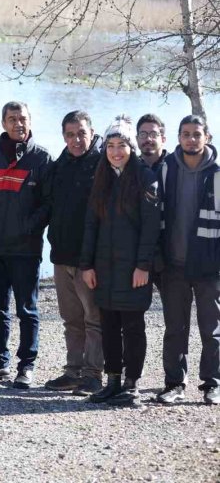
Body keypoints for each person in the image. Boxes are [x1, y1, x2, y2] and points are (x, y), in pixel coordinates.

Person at [80, 115, 160, 407]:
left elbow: (151, 228)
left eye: (121, 145)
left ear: (131, 148)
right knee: (109, 325)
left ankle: (131, 384)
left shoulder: (144, 177)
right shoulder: (101, 177)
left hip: (133, 269)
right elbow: (91, 224)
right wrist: (87, 264)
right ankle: (112, 381)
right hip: (104, 267)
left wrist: (143, 265)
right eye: (110, 146)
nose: (115, 152)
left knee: (133, 326)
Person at [0, 101, 53, 389]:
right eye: (12, 119)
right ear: (3, 123)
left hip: (25, 248)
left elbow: (49, 203)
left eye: (23, 118)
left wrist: (28, 227)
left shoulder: (42, 158)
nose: (18, 123)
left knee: (27, 310)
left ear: (30, 121)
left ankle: (26, 366)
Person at [153, 115, 220, 406]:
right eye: (186, 134)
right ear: (178, 137)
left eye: (196, 134)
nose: (191, 139)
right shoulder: (167, 168)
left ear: (207, 137)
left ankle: (213, 384)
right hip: (174, 265)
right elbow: (156, 214)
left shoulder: (217, 173)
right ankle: (174, 384)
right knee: (175, 329)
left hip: (209, 266)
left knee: (212, 329)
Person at [42, 110, 104, 395]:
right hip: (61, 255)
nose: (76, 140)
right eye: (70, 135)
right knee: (71, 319)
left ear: (91, 132)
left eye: (81, 133)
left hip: (89, 259)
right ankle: (73, 371)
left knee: (94, 319)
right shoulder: (61, 163)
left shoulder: (103, 164)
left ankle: (93, 374)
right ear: (63, 136)